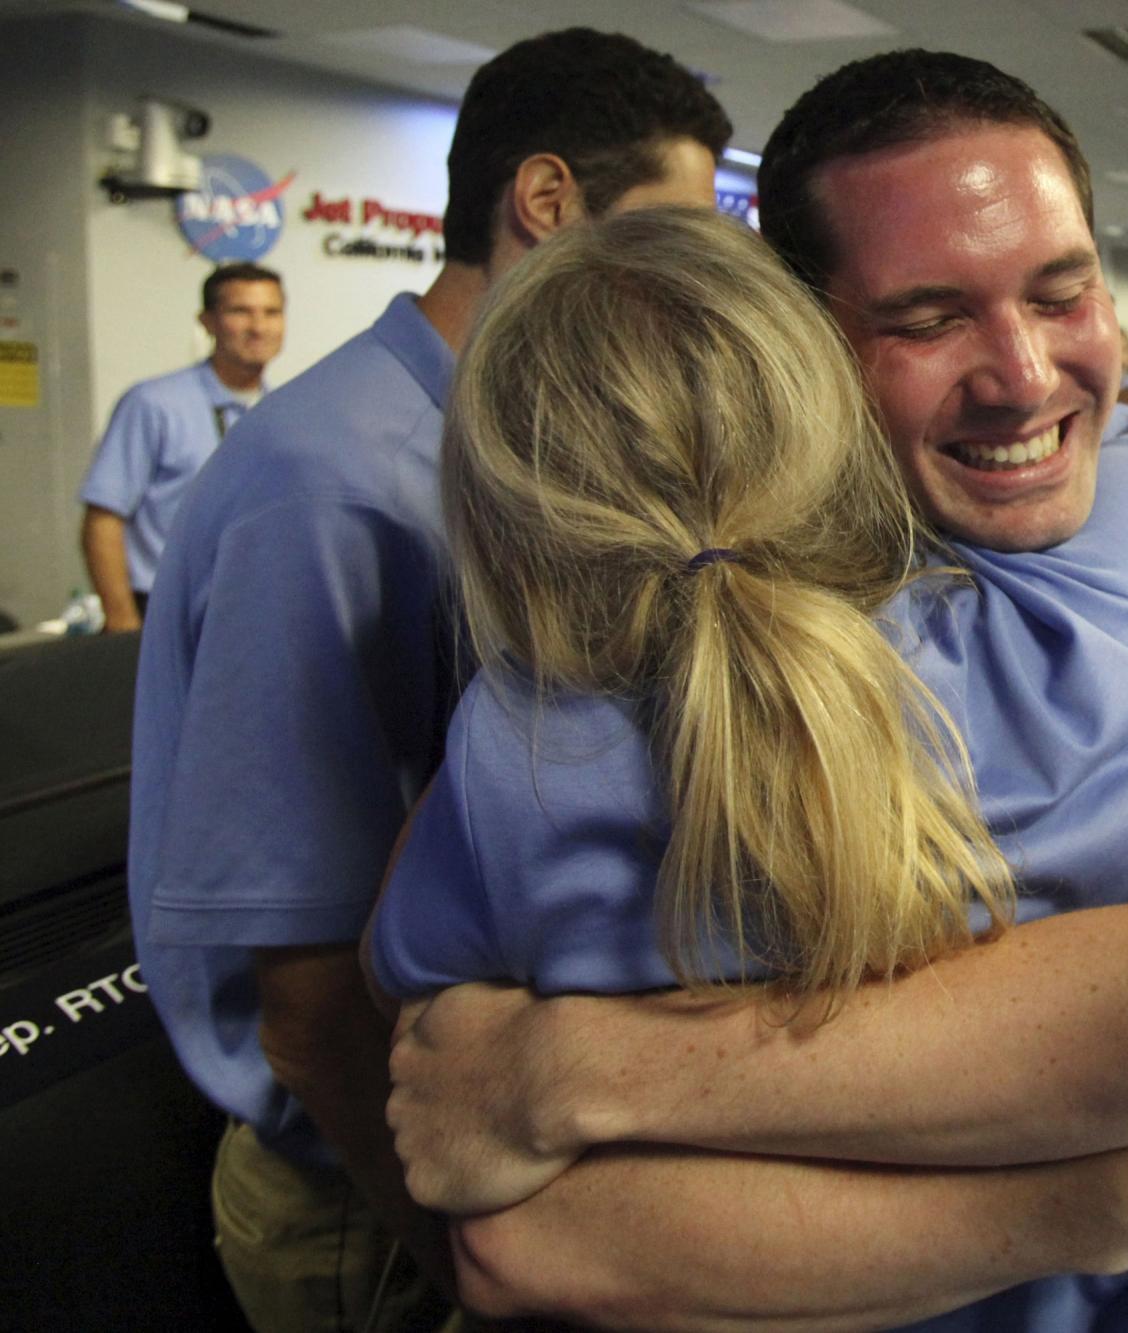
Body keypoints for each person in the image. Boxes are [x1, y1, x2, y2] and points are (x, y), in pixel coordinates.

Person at [378, 48, 1128, 1331]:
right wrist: (1102, 1203)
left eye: (1062, 291)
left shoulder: (525, 740)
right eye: (926, 319)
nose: (1023, 373)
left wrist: (577, 1068)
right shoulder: (1120, 590)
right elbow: (534, 1248)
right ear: (804, 342)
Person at [125, 29, 731, 1332]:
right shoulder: (337, 480)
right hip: (370, 1193)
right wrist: (463, 1264)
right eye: (662, 239)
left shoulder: (504, 444)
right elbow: (306, 996)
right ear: (549, 201)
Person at [77, 263, 283, 631]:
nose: (259, 327)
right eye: (241, 311)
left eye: (272, 312)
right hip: (162, 611)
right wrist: (122, 621)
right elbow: (103, 519)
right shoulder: (154, 404)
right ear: (207, 321)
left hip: (249, 612)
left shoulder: (281, 410)